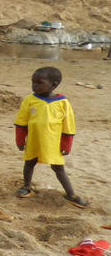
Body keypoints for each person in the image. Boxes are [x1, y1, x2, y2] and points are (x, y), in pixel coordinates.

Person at [14, 66, 88, 208]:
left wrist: (66, 145)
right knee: (29, 163)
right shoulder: (30, 100)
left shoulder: (63, 103)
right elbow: (21, 121)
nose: (34, 86)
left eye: (39, 83)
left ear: (53, 85)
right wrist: (20, 139)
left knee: (58, 168)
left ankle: (71, 194)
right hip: (34, 140)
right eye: (33, 82)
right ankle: (27, 186)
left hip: (53, 143)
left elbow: (69, 126)